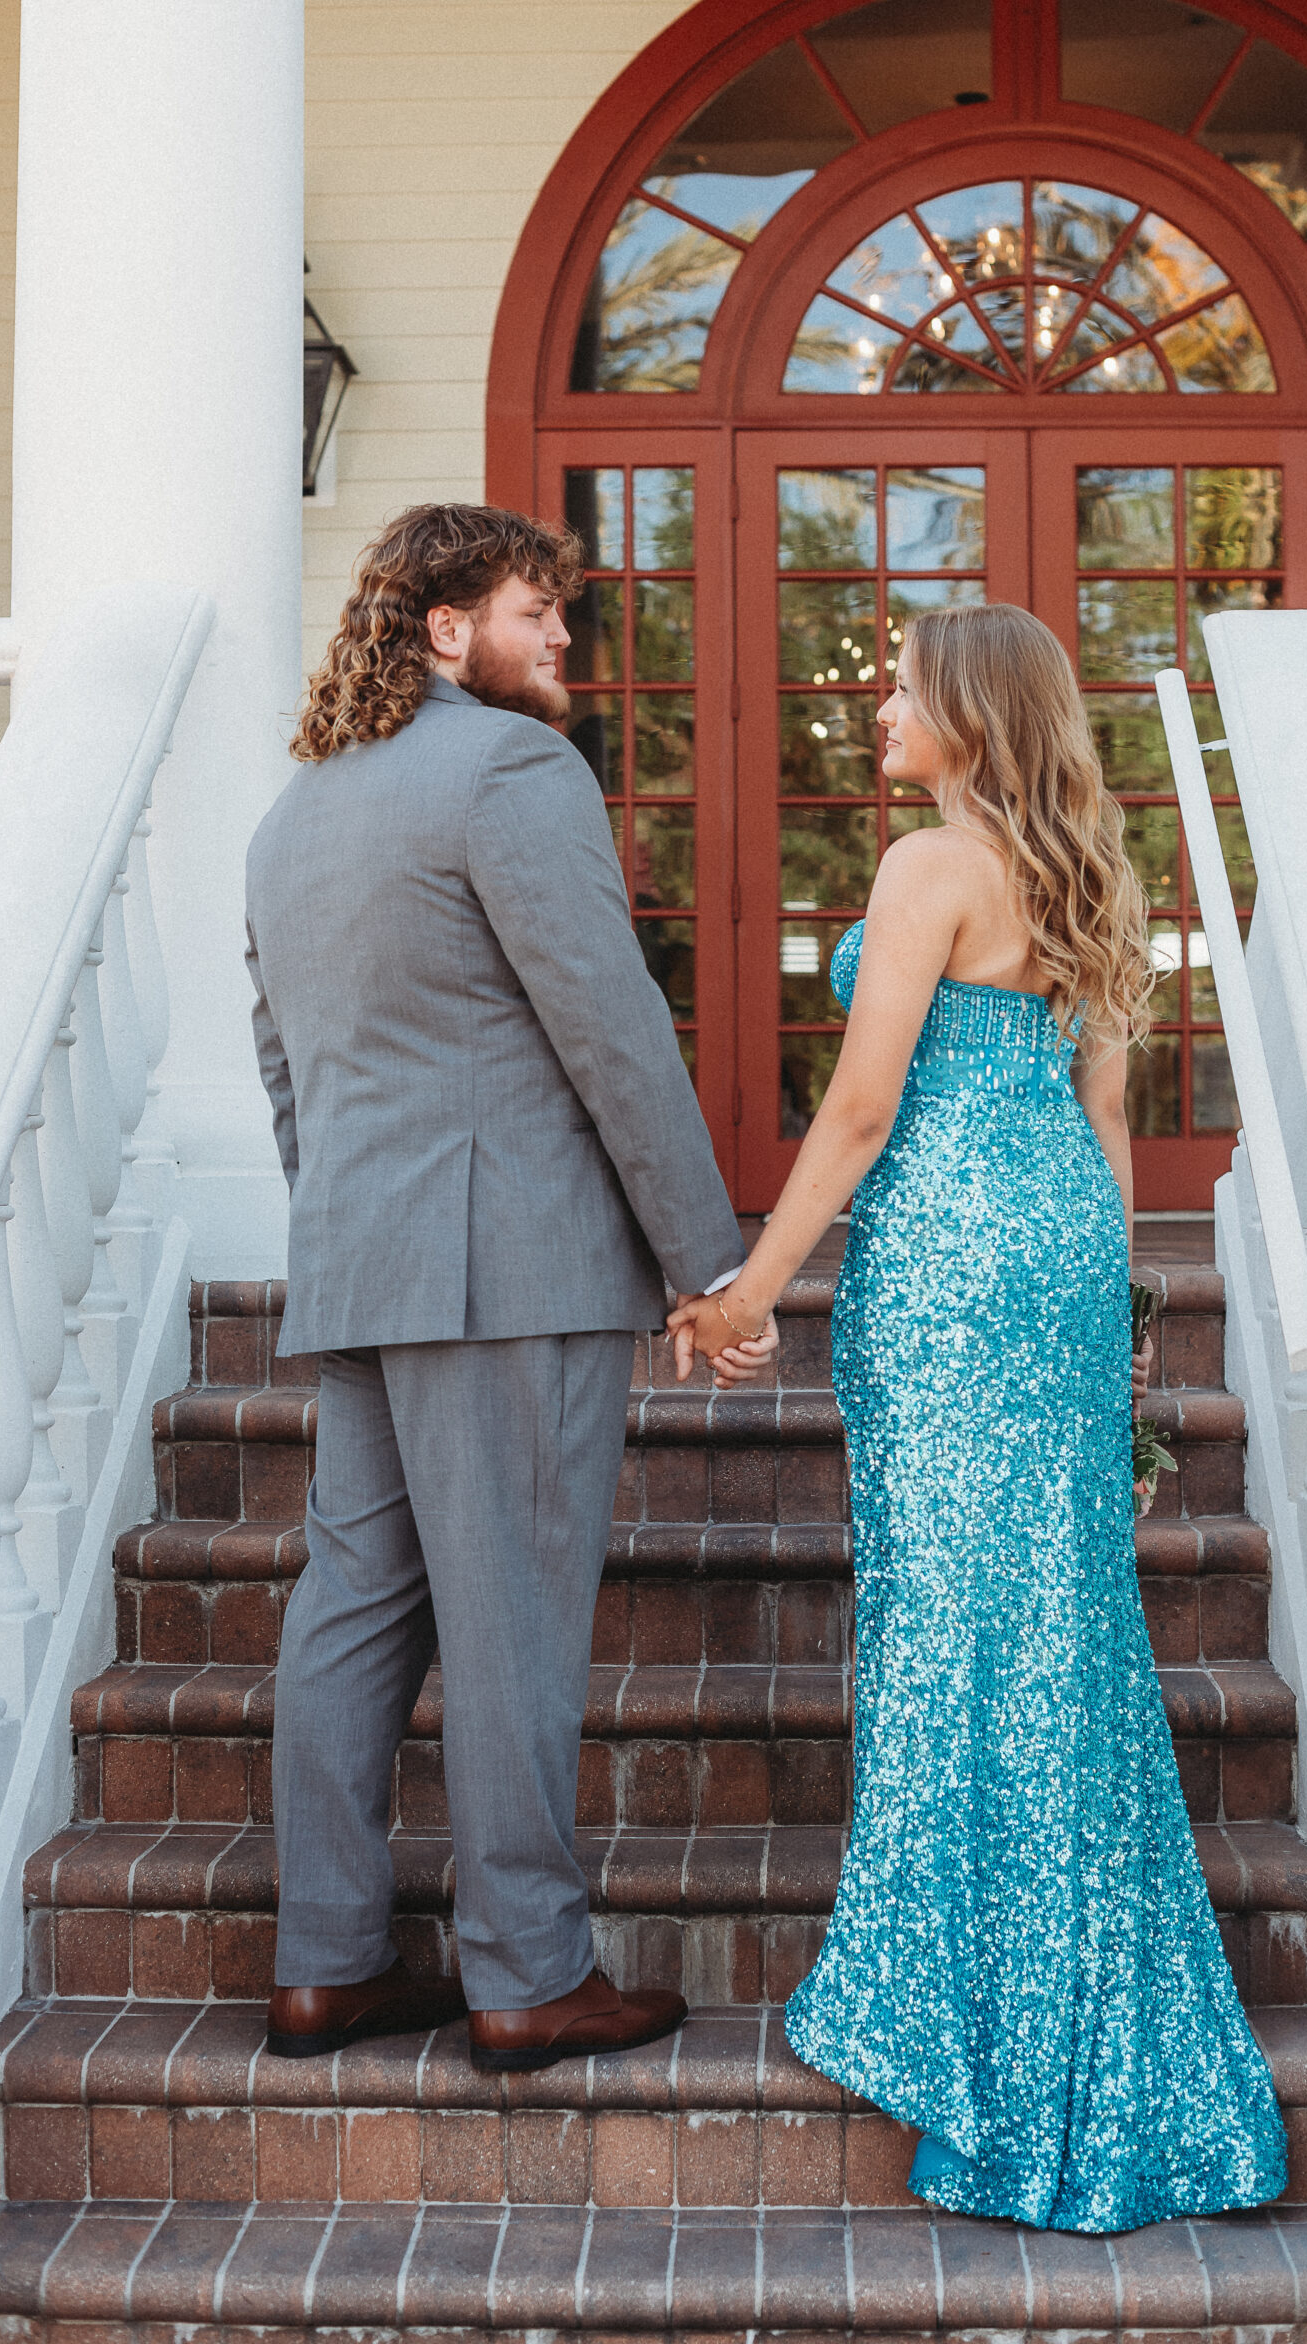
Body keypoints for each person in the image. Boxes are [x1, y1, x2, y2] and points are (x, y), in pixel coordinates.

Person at [670, 602, 1288, 2229]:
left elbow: (865, 1104)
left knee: (954, 1626)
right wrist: (1114, 1324)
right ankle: (1067, 2011)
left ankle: (975, 2035)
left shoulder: (927, 867)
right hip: (1062, 1258)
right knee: (1060, 1633)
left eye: (899, 694)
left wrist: (749, 1286)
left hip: (946, 1260)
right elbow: (1103, 1120)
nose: (879, 712)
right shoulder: (1095, 873)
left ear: (968, 715)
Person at [245, 503, 774, 2073]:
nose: (563, 641)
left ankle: (326, 1964)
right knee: (512, 1629)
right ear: (442, 628)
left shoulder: (294, 814)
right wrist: (706, 1262)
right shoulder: (513, 769)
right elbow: (608, 1022)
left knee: (351, 1615)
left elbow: (283, 1069)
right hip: (511, 1270)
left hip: (363, 1258)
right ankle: (529, 1975)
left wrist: (348, 1223)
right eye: (536, 611)